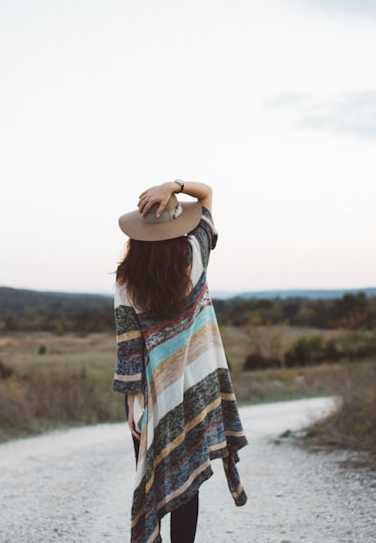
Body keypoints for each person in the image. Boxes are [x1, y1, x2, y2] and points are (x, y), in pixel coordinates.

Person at [112, 180, 248, 543]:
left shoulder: (126, 280)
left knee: (155, 479)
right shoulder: (196, 252)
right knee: (189, 481)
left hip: (151, 402)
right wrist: (174, 184)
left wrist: (131, 404)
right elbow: (206, 196)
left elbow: (129, 350)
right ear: (177, 224)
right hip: (197, 393)